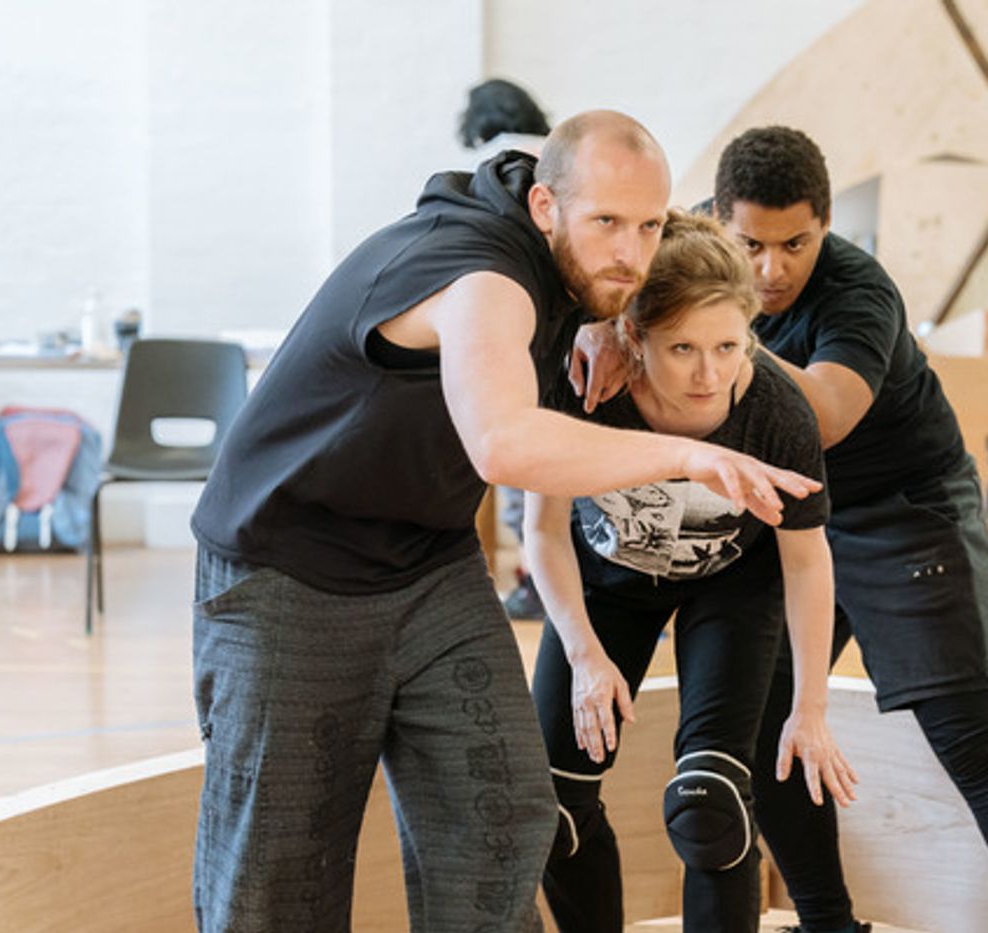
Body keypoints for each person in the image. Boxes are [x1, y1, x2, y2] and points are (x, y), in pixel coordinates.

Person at [187, 111, 822, 933]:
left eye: (648, 226)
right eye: (607, 223)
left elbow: (622, 260)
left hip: (429, 561)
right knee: (282, 878)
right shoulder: (482, 276)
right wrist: (686, 455)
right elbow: (502, 442)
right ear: (547, 207)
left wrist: (606, 318)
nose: (631, 252)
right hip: (290, 569)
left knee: (505, 821)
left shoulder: (565, 252)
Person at [574, 126, 988, 933]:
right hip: (778, 518)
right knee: (767, 731)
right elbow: (599, 282)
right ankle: (827, 924)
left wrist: (717, 325)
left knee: (968, 735)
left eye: (796, 244)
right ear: (717, 216)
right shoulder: (680, 249)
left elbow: (829, 414)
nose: (771, 269)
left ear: (827, 223)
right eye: (749, 245)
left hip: (899, 509)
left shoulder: (857, 291)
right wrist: (606, 322)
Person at [529, 211, 857, 933]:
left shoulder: (776, 412)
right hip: (606, 584)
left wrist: (810, 708)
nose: (708, 374)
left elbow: (807, 561)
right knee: (553, 810)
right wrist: (584, 655)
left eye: (727, 347)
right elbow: (543, 532)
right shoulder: (586, 388)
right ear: (633, 336)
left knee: (711, 806)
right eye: (681, 348)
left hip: (732, 588)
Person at [457, 77, 552, 619]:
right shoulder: (558, 152)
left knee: (520, 474)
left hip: (515, 324)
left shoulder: (490, 165)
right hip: (560, 323)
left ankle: (536, 584)